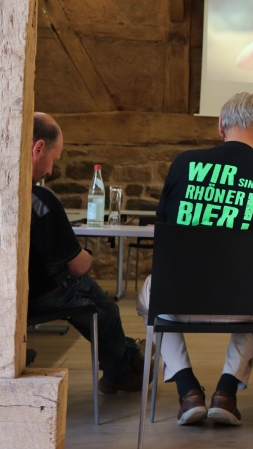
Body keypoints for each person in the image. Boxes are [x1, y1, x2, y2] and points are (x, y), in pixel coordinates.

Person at [135, 93, 253, 426]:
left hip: (179, 301)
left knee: (150, 295)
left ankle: (188, 389)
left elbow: (163, 235)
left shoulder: (183, 164)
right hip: (246, 306)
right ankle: (226, 392)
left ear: (220, 126)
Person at [28, 113, 146, 394]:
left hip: (11, 298)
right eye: (53, 161)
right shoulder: (41, 201)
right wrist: (89, 253)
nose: (50, 172)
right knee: (100, 304)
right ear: (39, 148)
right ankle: (123, 370)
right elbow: (78, 265)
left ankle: (131, 357)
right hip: (39, 295)